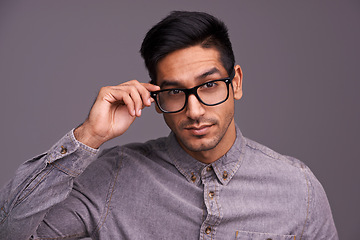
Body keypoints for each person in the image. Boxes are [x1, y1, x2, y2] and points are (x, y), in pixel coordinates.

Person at [0, 11, 338, 240]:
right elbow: (10, 231)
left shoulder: (298, 189)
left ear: (235, 82)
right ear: (155, 95)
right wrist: (89, 136)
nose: (193, 111)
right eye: (175, 92)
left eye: (208, 85)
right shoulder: (113, 177)